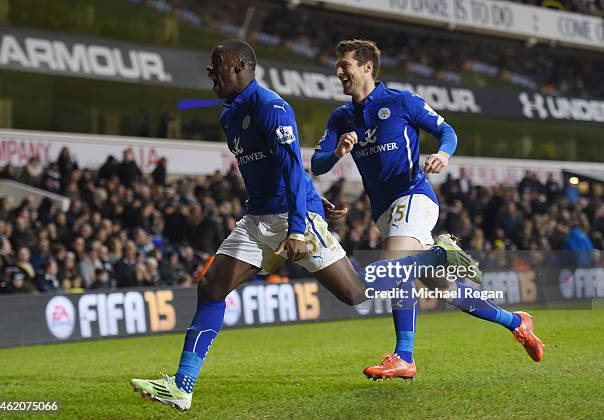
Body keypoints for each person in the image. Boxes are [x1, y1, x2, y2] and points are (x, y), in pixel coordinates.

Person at [130, 39, 479, 412]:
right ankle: (182, 386)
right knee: (212, 288)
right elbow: (286, 171)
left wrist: (300, 225)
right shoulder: (229, 115)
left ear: (240, 67)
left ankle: (434, 257)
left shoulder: (272, 108)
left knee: (356, 292)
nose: (209, 70)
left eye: (217, 63)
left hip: (293, 218)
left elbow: (294, 169)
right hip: (257, 218)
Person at [311, 39, 544, 380]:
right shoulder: (341, 117)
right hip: (385, 212)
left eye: (344, 64)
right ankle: (516, 321)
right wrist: (337, 153)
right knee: (445, 289)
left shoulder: (401, 101)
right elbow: (317, 165)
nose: (339, 71)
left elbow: (445, 130)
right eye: (338, 65)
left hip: (414, 197)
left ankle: (404, 355)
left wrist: (444, 154)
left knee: (394, 267)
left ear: (367, 67)